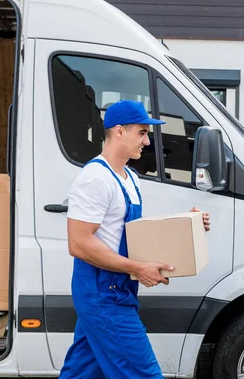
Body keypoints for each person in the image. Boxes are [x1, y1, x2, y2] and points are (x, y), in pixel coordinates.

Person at [59, 100, 210, 379]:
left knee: (82, 373)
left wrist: (187, 224)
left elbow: (129, 232)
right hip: (103, 294)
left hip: (117, 291)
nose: (147, 141)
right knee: (144, 374)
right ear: (119, 131)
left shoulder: (129, 177)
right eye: (142, 133)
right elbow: (78, 243)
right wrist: (137, 268)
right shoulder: (94, 179)